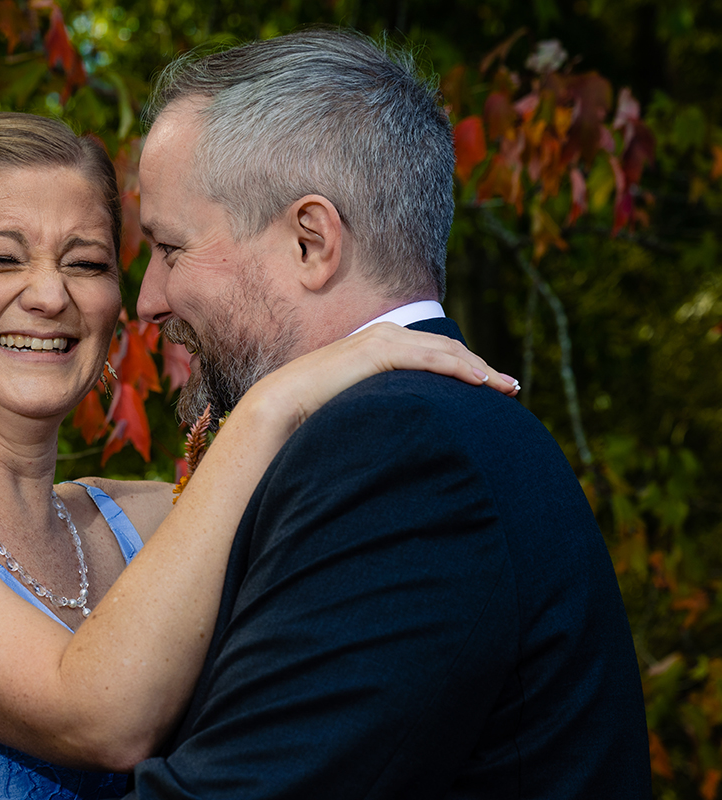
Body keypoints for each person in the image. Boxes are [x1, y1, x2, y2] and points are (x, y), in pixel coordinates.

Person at [0, 111, 519, 800]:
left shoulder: (160, 516)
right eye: (0, 258)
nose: (49, 295)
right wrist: (269, 406)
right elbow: (99, 716)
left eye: (88, 263)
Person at [126, 28, 652, 799]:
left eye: (170, 248)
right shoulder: (421, 427)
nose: (148, 299)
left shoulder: (401, 450)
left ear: (312, 241)